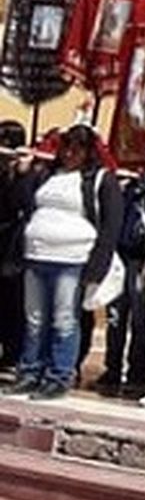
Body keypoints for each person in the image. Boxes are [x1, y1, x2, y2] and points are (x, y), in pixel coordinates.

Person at [7, 125, 123, 400]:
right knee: (34, 320)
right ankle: (30, 372)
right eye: (66, 147)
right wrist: (23, 175)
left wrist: (98, 266)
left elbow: (111, 226)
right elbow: (22, 205)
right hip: (36, 256)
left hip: (72, 259)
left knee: (64, 320)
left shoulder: (101, 180)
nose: (70, 154)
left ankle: (58, 375)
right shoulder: (48, 175)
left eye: (77, 149)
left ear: (88, 152)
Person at [96, 137, 145, 397]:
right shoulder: (133, 185)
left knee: (141, 321)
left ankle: (138, 374)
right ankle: (112, 369)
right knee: (116, 317)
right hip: (123, 256)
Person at [0, 121, 29, 375]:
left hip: (13, 246)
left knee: (12, 303)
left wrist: (19, 174)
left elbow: (19, 205)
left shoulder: (27, 173)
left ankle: (12, 354)